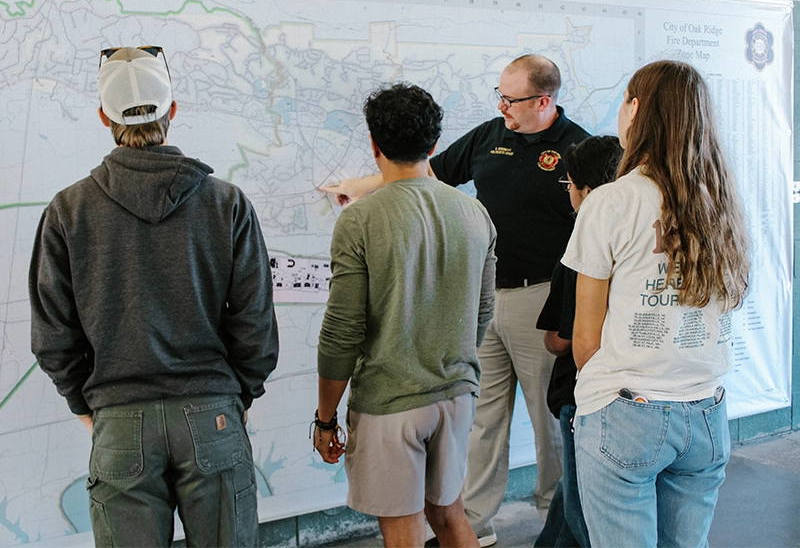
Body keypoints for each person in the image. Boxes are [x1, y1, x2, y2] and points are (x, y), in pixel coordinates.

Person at [322, 55, 590, 545]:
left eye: (511, 100)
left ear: (544, 101)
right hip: (486, 303)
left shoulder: (578, 149)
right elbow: (428, 169)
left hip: (542, 301)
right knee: (483, 422)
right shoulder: (492, 135)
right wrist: (359, 188)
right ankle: (477, 523)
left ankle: (559, 523)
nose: (502, 106)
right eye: (500, 96)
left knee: (549, 424)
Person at [29, 46, 279, 547]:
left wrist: (87, 404)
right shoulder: (227, 203)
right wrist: (239, 391)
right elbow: (254, 321)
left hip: (119, 421)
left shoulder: (67, 210)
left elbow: (52, 334)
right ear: (173, 110)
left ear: (104, 117)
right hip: (214, 412)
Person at [562, 60, 750, 546]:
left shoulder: (611, 201)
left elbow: (585, 339)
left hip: (627, 409)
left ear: (637, 109)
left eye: (624, 100)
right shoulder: (723, 201)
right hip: (707, 409)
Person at [313, 82, 497, 548]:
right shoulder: (476, 214)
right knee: (451, 518)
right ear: (433, 146)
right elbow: (483, 312)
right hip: (456, 393)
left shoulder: (359, 220)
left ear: (374, 144)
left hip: (390, 402)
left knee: (403, 532)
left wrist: (326, 417)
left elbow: (342, 331)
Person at [533, 136, 623, 548]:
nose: (568, 191)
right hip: (630, 388)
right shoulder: (635, 236)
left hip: (582, 394)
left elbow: (564, 340)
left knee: (583, 510)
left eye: (568, 183)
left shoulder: (580, 250)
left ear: (585, 190)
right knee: (574, 492)